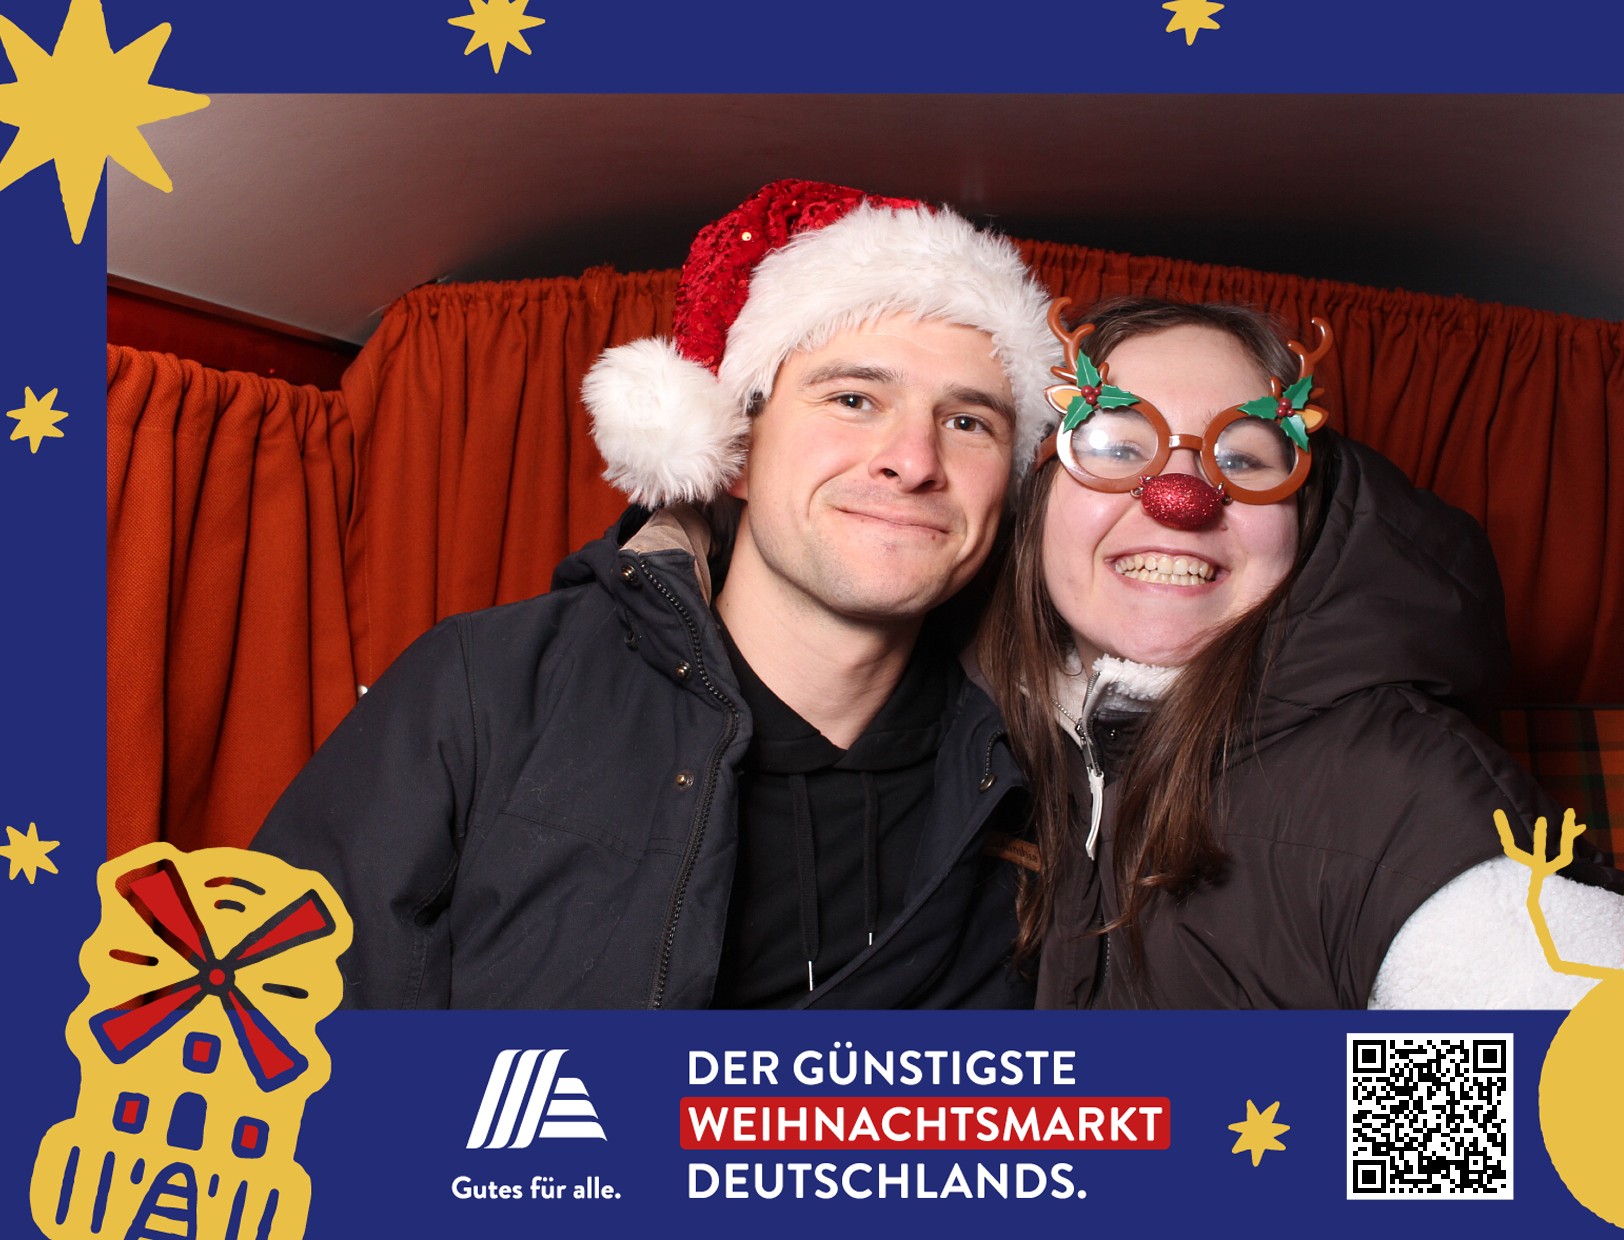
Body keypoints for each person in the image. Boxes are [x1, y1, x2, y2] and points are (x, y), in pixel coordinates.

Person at [255, 180, 1060, 1009]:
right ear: (734, 449)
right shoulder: (484, 691)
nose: (915, 461)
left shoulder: (1046, 760)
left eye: (969, 422)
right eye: (854, 400)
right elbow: (273, 1031)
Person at [978, 296, 1624, 1009]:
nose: (1181, 498)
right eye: (1118, 446)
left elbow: (1573, 1075)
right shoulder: (988, 742)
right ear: (1034, 498)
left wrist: (1288, 1087)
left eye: (1242, 459)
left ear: (1305, 519)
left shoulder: (1397, 788)